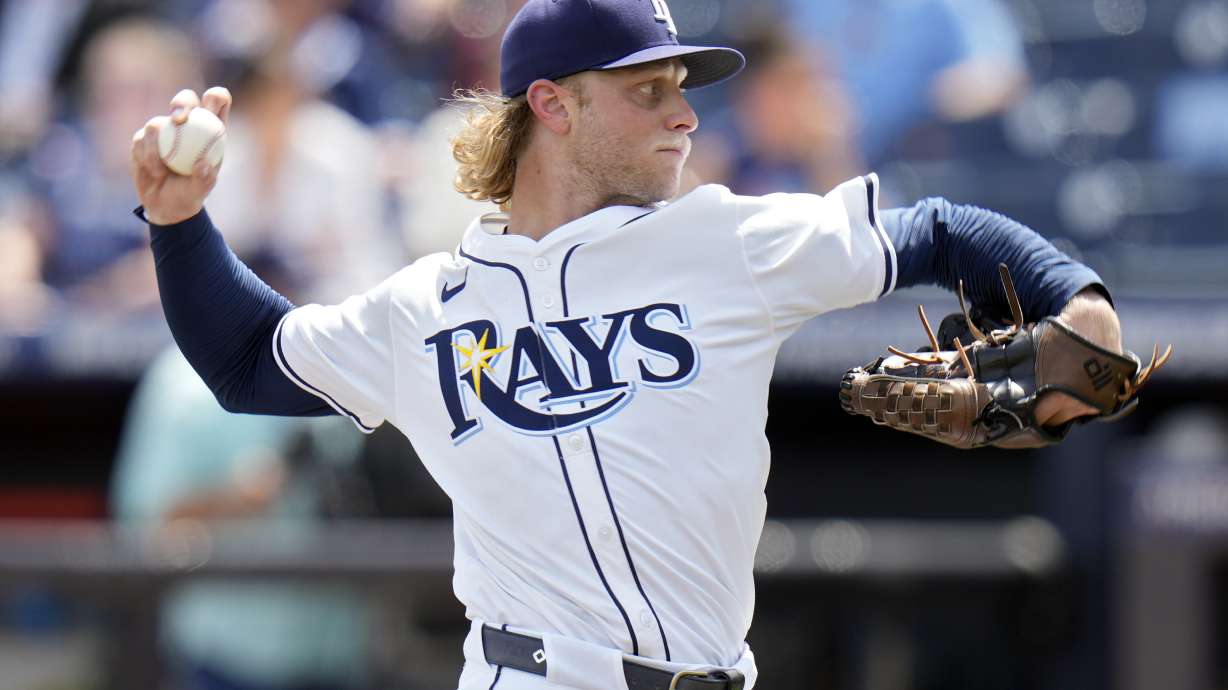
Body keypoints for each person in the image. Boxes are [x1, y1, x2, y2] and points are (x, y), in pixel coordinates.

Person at [128, 1, 1124, 688]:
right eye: (647, 90)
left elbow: (942, 231)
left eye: (682, 86)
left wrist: (1077, 305)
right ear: (552, 105)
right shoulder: (427, 307)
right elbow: (250, 359)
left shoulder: (725, 242)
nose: (685, 111)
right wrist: (177, 225)